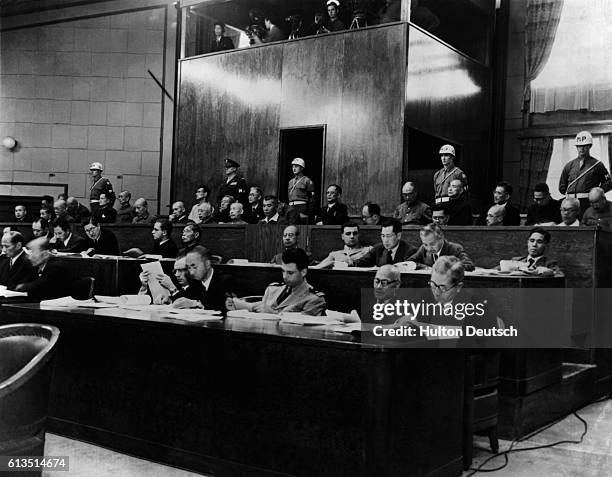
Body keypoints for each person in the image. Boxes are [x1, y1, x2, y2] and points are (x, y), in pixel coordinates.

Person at [228, 248, 326, 316]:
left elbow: (302, 329)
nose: (284, 277)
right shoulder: (272, 289)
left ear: (303, 272)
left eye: (290, 273)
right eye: (283, 271)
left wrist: (274, 314)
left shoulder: (314, 299)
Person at [559, 131, 612, 213]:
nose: (582, 148)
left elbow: (609, 183)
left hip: (588, 203)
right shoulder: (569, 165)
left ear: (590, 146)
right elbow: (562, 188)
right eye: (579, 146)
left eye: (585, 146)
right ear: (576, 147)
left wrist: (596, 194)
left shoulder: (597, 165)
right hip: (571, 204)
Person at [173, 245, 230, 312]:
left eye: (194, 267)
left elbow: (224, 306)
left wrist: (196, 304)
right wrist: (169, 299)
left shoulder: (226, 281)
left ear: (207, 264)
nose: (191, 272)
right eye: (188, 268)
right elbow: (185, 296)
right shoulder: (196, 282)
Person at [139, 253, 204, 304]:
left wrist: (172, 288)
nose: (177, 275)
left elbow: (185, 302)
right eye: (175, 271)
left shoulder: (200, 287)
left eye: (182, 270)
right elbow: (143, 301)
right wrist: (144, 286)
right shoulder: (176, 283)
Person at [406, 223, 475, 271]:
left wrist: (446, 267)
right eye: (425, 244)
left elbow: (469, 265)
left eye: (432, 244)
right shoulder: (423, 248)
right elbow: (409, 263)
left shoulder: (455, 248)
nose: (429, 248)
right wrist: (424, 267)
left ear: (441, 238)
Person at [351, 219, 417, 267]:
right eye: (383, 236)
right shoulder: (378, 248)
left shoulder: (410, 251)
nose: (385, 240)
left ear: (398, 236)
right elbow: (362, 262)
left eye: (388, 236)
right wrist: (349, 263)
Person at [286, 157, 315, 224]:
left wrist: (308, 212)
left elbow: (312, 198)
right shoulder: (290, 181)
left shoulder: (307, 180)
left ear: (302, 168)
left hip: (301, 207)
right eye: (293, 167)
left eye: (296, 167)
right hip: (291, 206)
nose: (294, 168)